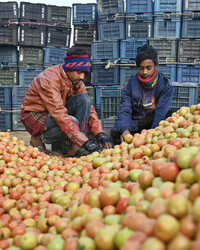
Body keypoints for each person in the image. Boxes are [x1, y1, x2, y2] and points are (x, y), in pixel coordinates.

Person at [21, 46, 112, 156]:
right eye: (79, 72)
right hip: (36, 116)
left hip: (55, 113)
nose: (82, 77)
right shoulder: (49, 79)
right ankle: (38, 137)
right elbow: (59, 113)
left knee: (84, 99)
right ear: (69, 68)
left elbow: (89, 109)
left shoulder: (76, 82)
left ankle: (76, 145)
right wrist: (85, 141)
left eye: (84, 73)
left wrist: (100, 134)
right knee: (72, 121)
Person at [111, 44, 174, 145]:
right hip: (139, 120)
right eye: (141, 68)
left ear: (156, 65)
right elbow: (125, 109)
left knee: (172, 115)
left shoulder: (165, 85)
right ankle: (136, 137)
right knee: (116, 131)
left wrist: (153, 134)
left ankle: (144, 138)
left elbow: (161, 113)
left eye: (149, 68)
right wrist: (125, 129)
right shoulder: (131, 84)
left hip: (155, 119)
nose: (144, 72)